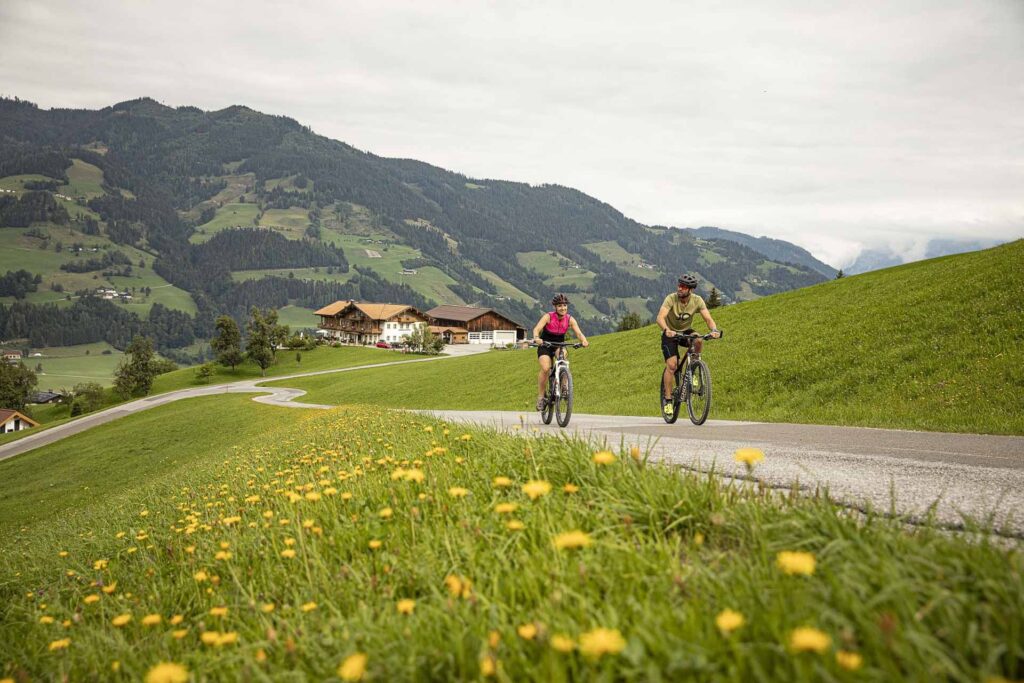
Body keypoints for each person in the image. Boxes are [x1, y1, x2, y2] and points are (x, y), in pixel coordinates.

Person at [657, 274, 721, 416]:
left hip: (685, 332)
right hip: (670, 334)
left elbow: (708, 318)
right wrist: (667, 330)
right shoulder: (671, 298)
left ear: (690, 290)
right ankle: (668, 400)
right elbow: (660, 317)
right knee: (672, 365)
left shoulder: (697, 301)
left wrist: (714, 330)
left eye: (683, 286)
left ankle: (694, 366)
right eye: (679, 285)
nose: (680, 288)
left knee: (698, 339)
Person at [532, 293, 589, 410]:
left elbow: (578, 333)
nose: (563, 308)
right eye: (559, 306)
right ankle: (541, 397)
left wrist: (584, 340)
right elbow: (536, 329)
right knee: (546, 368)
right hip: (545, 345)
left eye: (564, 305)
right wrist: (537, 338)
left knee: (563, 361)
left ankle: (564, 388)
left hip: (559, 345)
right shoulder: (548, 317)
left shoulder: (570, 319)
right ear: (555, 307)